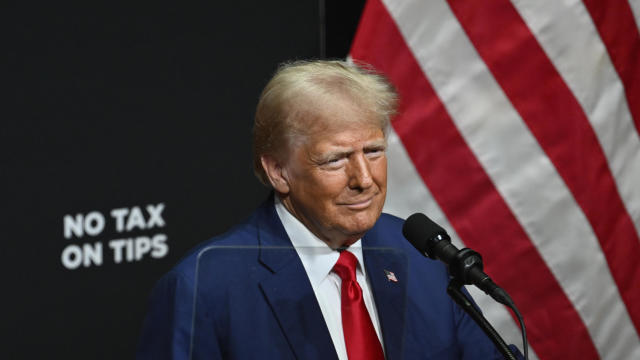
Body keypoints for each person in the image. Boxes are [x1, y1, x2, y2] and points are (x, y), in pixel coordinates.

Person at [137, 60, 523, 359]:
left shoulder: (420, 256)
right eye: (336, 160)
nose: (364, 179)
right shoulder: (203, 289)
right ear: (278, 171)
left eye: (373, 152)